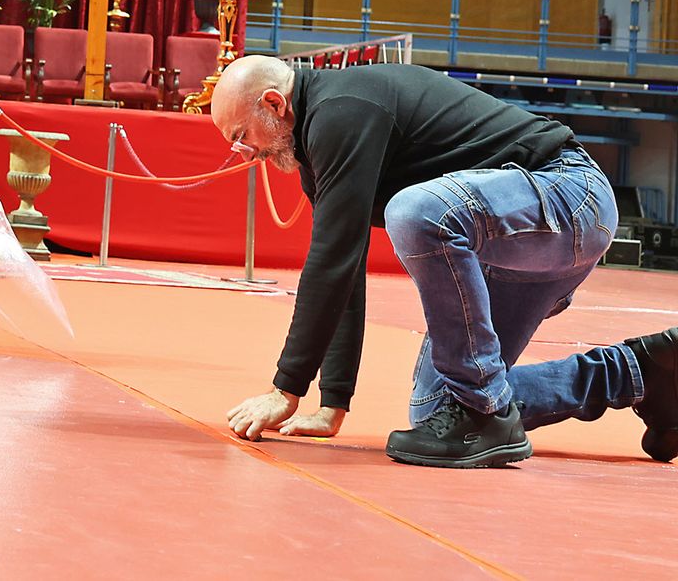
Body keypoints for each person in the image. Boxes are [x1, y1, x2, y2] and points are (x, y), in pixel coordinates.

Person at [212, 55, 677, 468]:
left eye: (241, 136)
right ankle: (641, 373)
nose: (246, 152)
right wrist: (332, 403)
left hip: (569, 196)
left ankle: (488, 412)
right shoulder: (318, 147)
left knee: (415, 212)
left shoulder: (342, 110)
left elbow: (330, 262)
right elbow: (345, 269)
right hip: (513, 239)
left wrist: (284, 389)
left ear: (275, 104)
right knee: (438, 410)